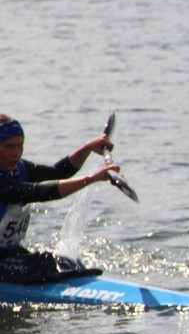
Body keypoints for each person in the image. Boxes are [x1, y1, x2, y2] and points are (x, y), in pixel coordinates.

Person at [0, 114, 117, 283]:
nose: (16, 153)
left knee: (66, 262)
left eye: (20, 145)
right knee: (44, 264)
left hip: (9, 253)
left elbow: (57, 173)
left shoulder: (19, 170)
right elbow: (39, 192)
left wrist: (87, 148)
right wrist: (91, 178)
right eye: (9, 146)